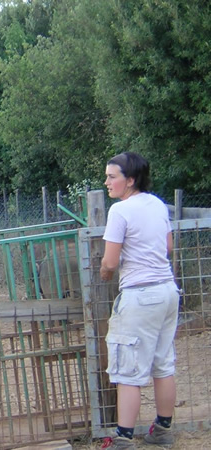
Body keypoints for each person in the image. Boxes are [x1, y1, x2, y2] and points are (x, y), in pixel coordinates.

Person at [99, 152, 180, 449]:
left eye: (112, 176)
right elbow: (168, 246)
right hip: (167, 291)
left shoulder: (120, 212)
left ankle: (123, 438)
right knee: (162, 364)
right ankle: (162, 431)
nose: (107, 182)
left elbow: (110, 260)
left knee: (127, 371)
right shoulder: (157, 204)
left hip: (140, 294)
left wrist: (105, 272)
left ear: (129, 180)